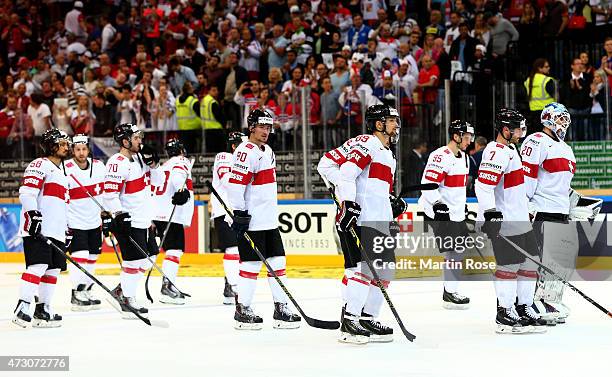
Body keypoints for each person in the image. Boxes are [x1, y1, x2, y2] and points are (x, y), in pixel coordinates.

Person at [317, 104, 405, 344]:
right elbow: (346, 173)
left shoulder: (388, 152)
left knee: (385, 270)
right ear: (379, 124)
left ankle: (367, 317)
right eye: (392, 120)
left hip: (380, 219)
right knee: (362, 270)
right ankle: (350, 320)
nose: (396, 125)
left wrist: (391, 202)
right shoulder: (367, 143)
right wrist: (349, 203)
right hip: (363, 218)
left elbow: (374, 187)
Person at [521, 102, 600, 324]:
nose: (564, 123)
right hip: (542, 210)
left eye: (566, 119)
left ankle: (548, 301)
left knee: (557, 262)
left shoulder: (566, 148)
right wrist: (526, 205)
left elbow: (563, 185)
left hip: (560, 211)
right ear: (547, 119)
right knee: (538, 261)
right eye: (559, 118)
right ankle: (530, 304)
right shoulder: (536, 140)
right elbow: (528, 177)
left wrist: (578, 204)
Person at [226, 109, 301, 330]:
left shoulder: (267, 150)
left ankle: (281, 308)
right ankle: (243, 309)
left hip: (269, 220)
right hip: (252, 220)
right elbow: (235, 185)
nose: (266, 131)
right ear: (251, 127)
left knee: (278, 263)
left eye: (269, 127)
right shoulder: (245, 151)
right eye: (262, 127)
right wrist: (239, 212)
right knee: (250, 265)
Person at [475, 108, 547, 334]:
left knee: (530, 262)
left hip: (520, 220)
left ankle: (523, 305)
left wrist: (526, 209)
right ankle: (504, 311)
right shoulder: (495, 152)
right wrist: (491, 213)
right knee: (509, 266)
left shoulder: (511, 149)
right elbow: (483, 186)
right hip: (505, 221)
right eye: (517, 128)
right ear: (505, 130)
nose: (521, 132)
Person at [103, 123, 162, 318]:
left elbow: (159, 182)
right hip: (128, 220)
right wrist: (119, 214)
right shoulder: (116, 162)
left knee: (151, 257)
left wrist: (155, 164)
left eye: (140, 137)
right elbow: (109, 194)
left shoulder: (140, 159)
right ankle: (127, 300)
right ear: (125, 141)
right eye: (136, 138)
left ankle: (121, 290)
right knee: (133, 261)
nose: (140, 141)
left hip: (144, 220)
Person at [13, 128, 71, 328]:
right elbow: (26, 193)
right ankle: (23, 306)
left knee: (53, 270)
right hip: (38, 228)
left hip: (56, 230)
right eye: (62, 144)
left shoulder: (63, 173)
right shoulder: (39, 164)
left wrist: (67, 229)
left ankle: (43, 310)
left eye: (66, 144)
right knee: (37, 266)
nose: (66, 147)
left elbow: (64, 204)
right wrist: (33, 215)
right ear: (51, 145)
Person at [419, 121, 474, 309]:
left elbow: (459, 189)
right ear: (456, 136)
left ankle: (450, 291)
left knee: (458, 251)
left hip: (456, 213)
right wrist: (438, 205)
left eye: (470, 137)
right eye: (466, 137)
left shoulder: (465, 158)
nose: (469, 141)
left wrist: (464, 208)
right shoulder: (440, 156)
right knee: (455, 250)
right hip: (440, 213)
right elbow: (427, 185)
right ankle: (450, 292)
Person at [64, 134, 109, 312]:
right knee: (80, 257)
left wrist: (106, 214)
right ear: (72, 151)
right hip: (75, 222)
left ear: (88, 149)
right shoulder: (65, 169)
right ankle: (76, 293)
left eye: (84, 149)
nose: (81, 153)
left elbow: (105, 191)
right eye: (77, 149)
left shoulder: (99, 166)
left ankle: (86, 290)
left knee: (93, 258)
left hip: (94, 221)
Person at [153, 139, 194, 305]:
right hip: (171, 212)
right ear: (181, 150)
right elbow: (178, 179)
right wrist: (181, 190)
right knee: (174, 250)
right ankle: (167, 287)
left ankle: (168, 284)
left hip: (159, 212)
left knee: (169, 250)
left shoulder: (164, 166)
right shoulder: (181, 161)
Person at [212, 132, 245, 304]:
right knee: (232, 249)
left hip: (235, 213)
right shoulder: (224, 157)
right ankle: (233, 286)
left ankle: (229, 286)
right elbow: (227, 181)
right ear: (234, 146)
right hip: (225, 213)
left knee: (238, 251)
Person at [524, 59, 555, 134]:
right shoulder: (547, 80)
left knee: (537, 136)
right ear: (539, 68)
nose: (549, 68)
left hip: (533, 113)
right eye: (546, 67)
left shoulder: (528, 80)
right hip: (547, 113)